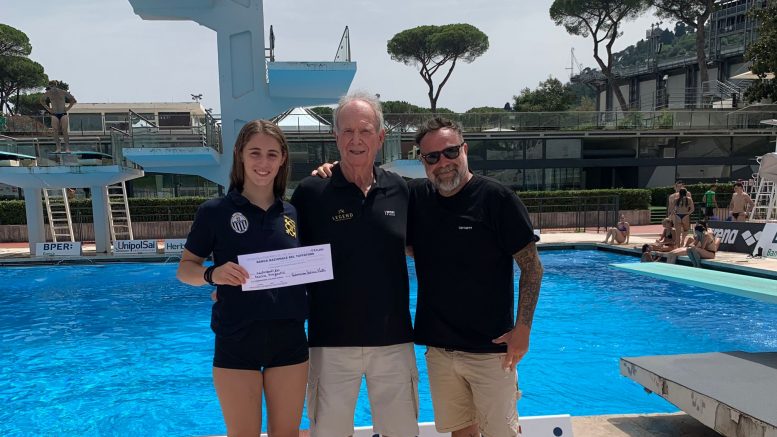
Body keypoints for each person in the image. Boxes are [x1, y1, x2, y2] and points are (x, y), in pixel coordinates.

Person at [290, 92, 418, 437]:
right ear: (335, 137)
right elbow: (284, 255)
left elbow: (425, 248)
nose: (356, 139)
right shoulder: (311, 192)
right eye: (347, 131)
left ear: (380, 137)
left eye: (364, 131)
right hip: (329, 342)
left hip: (393, 340)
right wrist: (241, 285)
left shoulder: (401, 190)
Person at [409, 117, 543, 437]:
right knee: (461, 433)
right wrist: (332, 170)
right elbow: (371, 188)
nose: (443, 163)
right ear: (423, 162)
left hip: (492, 349)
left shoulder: (497, 199)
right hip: (440, 349)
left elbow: (532, 267)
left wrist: (522, 330)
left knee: (501, 433)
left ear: (465, 150)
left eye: (450, 152)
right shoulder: (417, 198)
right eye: (432, 157)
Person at [177, 120, 309, 437]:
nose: (263, 162)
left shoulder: (293, 214)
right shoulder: (215, 212)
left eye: (272, 154)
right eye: (255, 153)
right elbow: (185, 269)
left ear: (282, 159)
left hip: (289, 339)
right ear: (240, 155)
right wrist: (212, 274)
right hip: (236, 340)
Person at [39, 81, 77, 153]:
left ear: (55, 86)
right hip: (54, 114)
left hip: (63, 113)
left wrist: (68, 108)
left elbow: (73, 100)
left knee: (64, 130)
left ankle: (67, 148)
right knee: (55, 131)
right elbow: (41, 100)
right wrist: (48, 109)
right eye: (50, 86)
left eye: (52, 86)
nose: (51, 88)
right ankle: (58, 148)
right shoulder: (48, 93)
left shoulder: (62, 92)